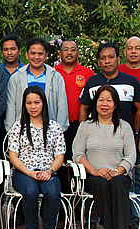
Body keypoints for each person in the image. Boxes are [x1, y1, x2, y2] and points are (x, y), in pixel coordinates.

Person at [73, 85, 137, 229]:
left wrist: (118, 170)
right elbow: (77, 153)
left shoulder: (124, 127)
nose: (105, 104)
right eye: (101, 100)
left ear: (115, 104)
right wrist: (94, 171)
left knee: (117, 183)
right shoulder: (86, 126)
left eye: (109, 100)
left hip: (119, 173)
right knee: (101, 185)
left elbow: (131, 155)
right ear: (95, 103)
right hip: (94, 175)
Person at [8, 86, 65, 229]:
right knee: (31, 192)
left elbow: (60, 155)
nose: (33, 106)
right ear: (24, 105)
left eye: (37, 102)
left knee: (53, 193)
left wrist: (50, 171)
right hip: (24, 172)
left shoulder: (54, 127)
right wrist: (28, 172)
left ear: (43, 103)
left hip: (48, 171)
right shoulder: (18, 127)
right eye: (29, 103)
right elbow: (13, 155)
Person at [118, 36, 140, 229]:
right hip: (119, 132)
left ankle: (135, 218)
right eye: (130, 48)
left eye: (137, 48)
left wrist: (139, 133)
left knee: (139, 174)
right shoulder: (118, 71)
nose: (133, 51)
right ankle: (122, 216)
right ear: (124, 52)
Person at [54, 40, 94, 194]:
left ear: (78, 52)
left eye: (73, 49)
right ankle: (61, 202)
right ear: (60, 53)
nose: (69, 53)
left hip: (79, 125)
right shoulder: (52, 72)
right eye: (65, 50)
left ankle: (77, 203)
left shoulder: (87, 73)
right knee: (59, 164)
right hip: (56, 125)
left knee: (78, 163)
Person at [5, 38, 68, 133]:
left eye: (40, 54)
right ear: (27, 55)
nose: (36, 57)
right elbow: (11, 106)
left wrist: (59, 130)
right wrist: (12, 130)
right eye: (33, 53)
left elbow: (62, 105)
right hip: (22, 131)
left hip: (49, 131)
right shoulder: (16, 77)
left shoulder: (56, 77)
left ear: (46, 56)